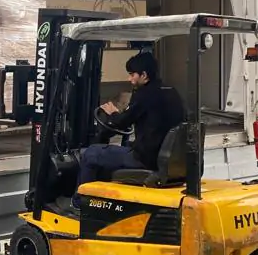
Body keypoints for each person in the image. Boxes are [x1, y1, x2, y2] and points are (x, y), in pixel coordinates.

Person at [76, 53, 185, 189]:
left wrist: (112, 112)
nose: (130, 79)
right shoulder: (172, 92)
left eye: (132, 74)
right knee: (125, 146)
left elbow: (122, 122)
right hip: (164, 157)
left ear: (144, 75)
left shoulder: (144, 95)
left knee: (91, 153)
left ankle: (79, 199)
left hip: (145, 159)